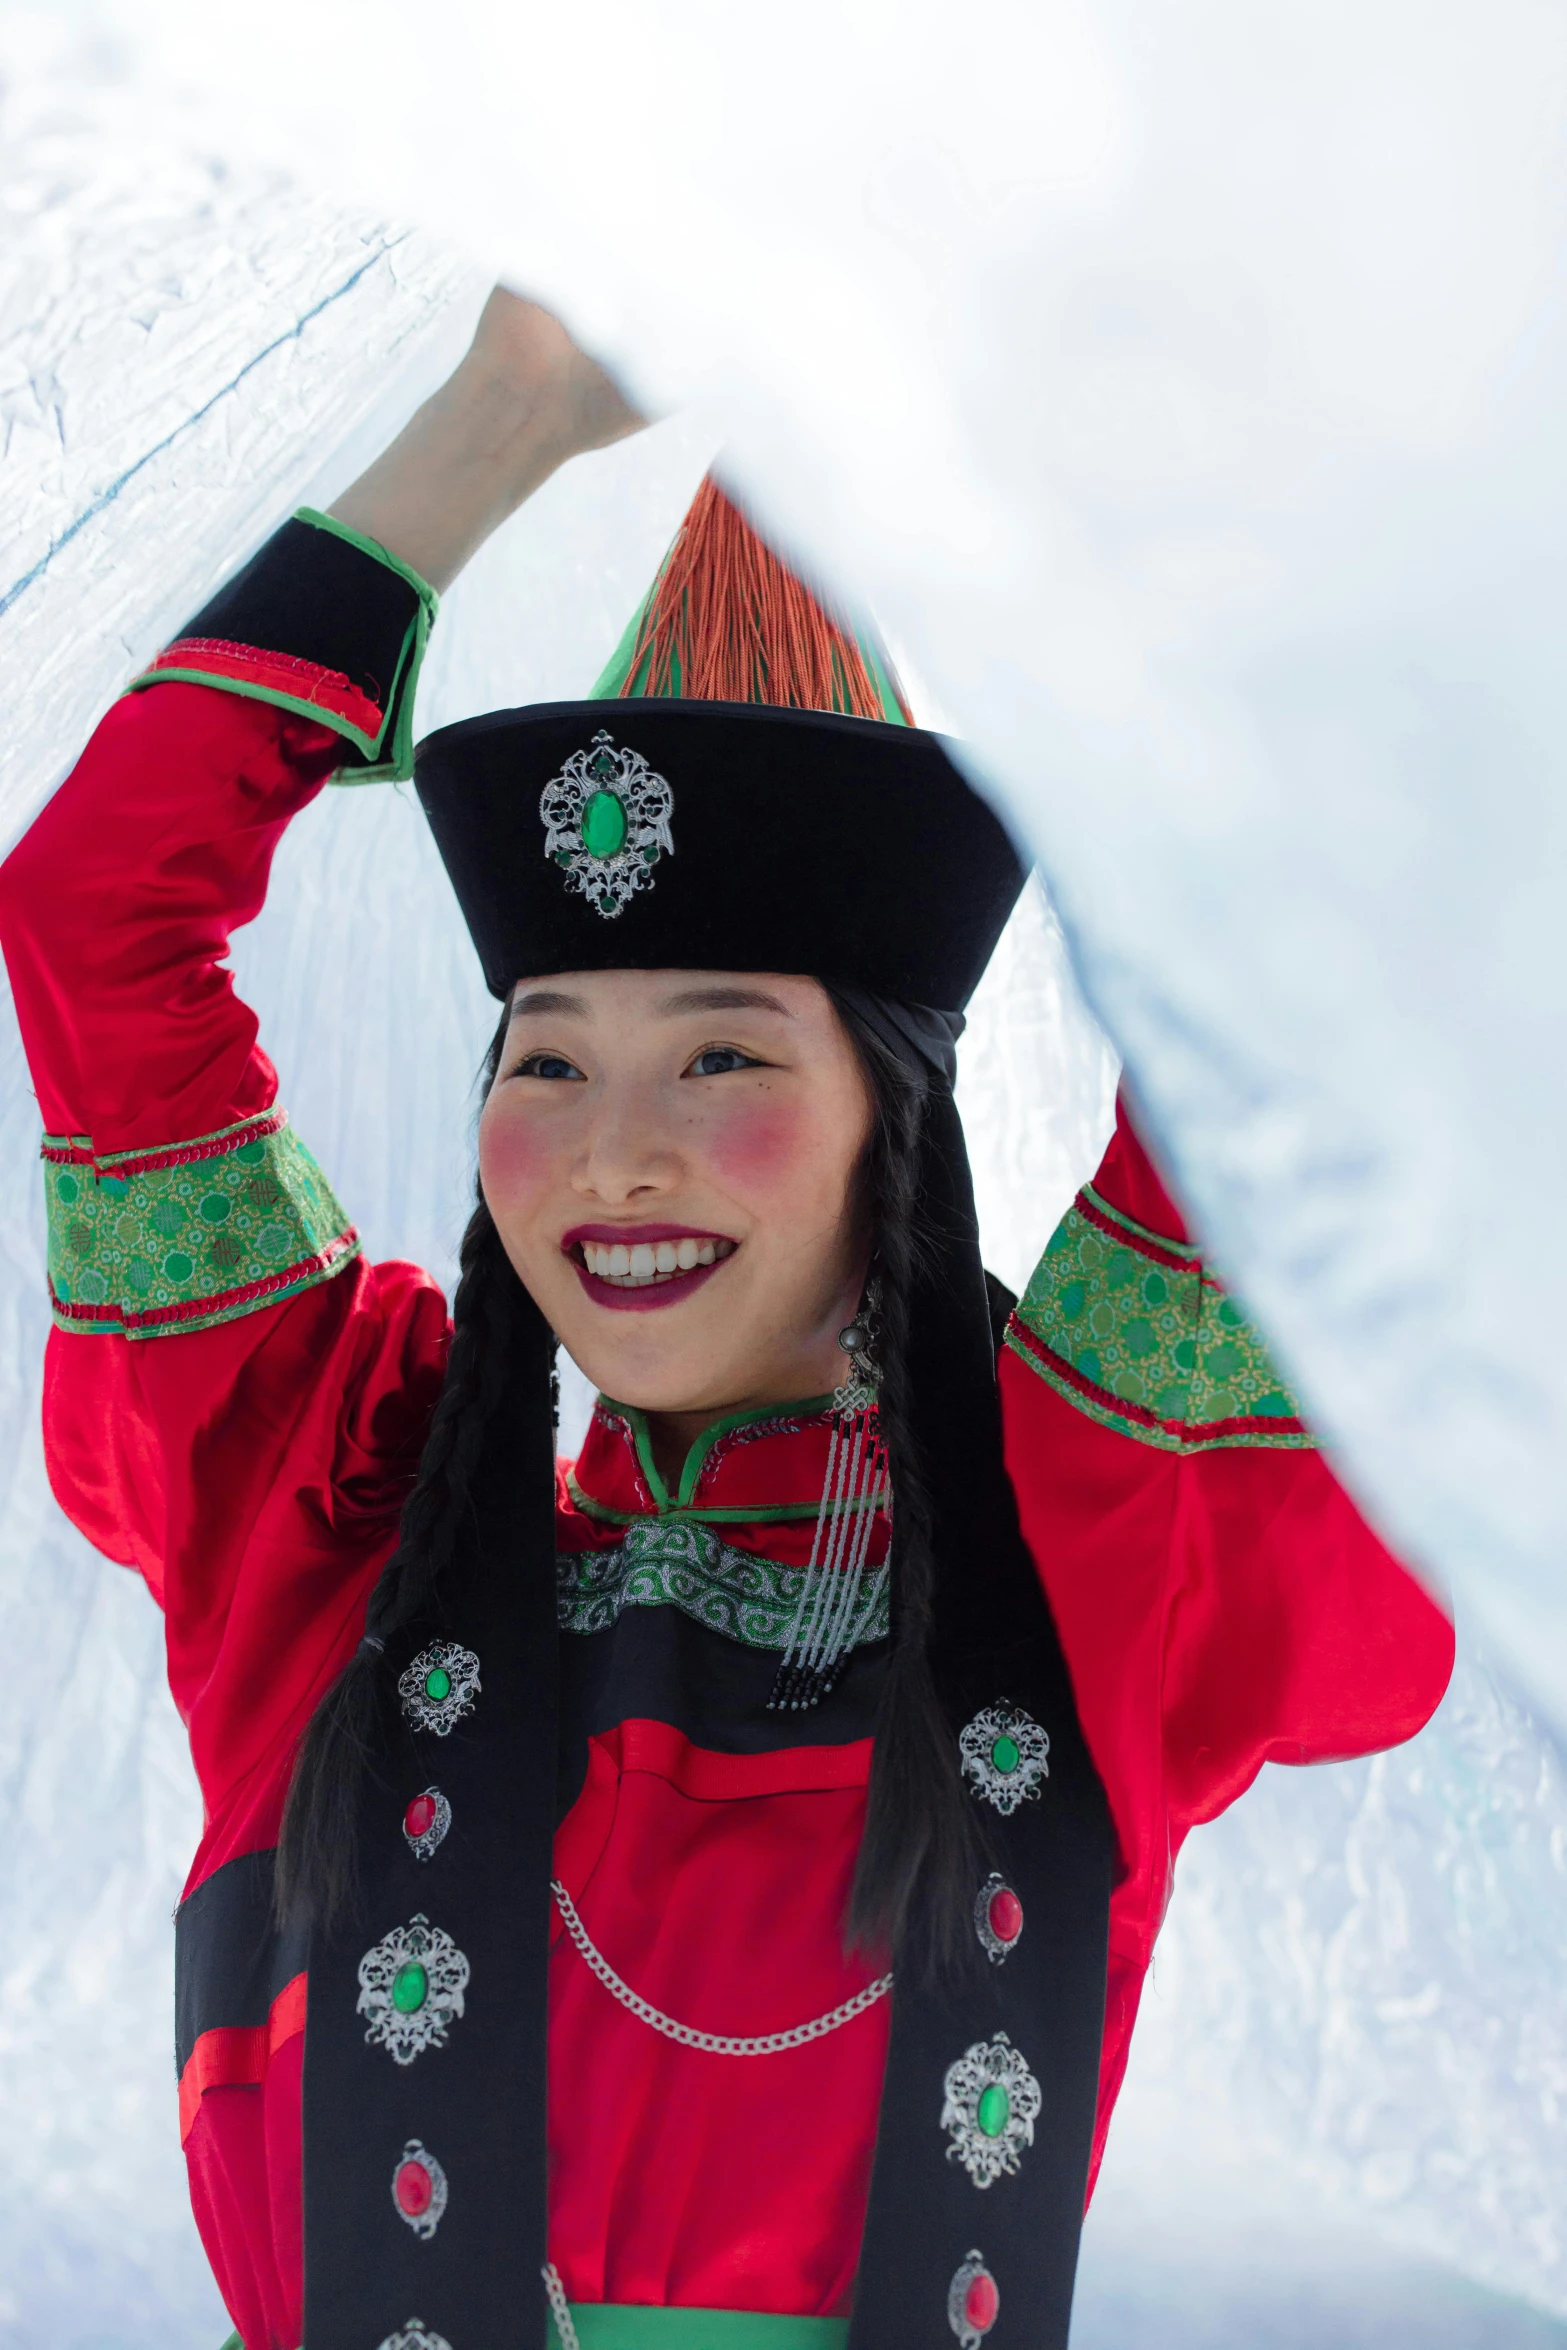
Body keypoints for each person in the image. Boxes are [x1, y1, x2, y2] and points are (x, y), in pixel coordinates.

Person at [0, 289, 1455, 2350]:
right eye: (551, 1059)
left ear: (903, 1118)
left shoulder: (1080, 1523)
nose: (611, 1155)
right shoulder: (343, 1517)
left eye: (720, 1061)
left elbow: (1328, 953)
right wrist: (500, 420)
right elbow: (89, 911)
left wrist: (1127, 479)